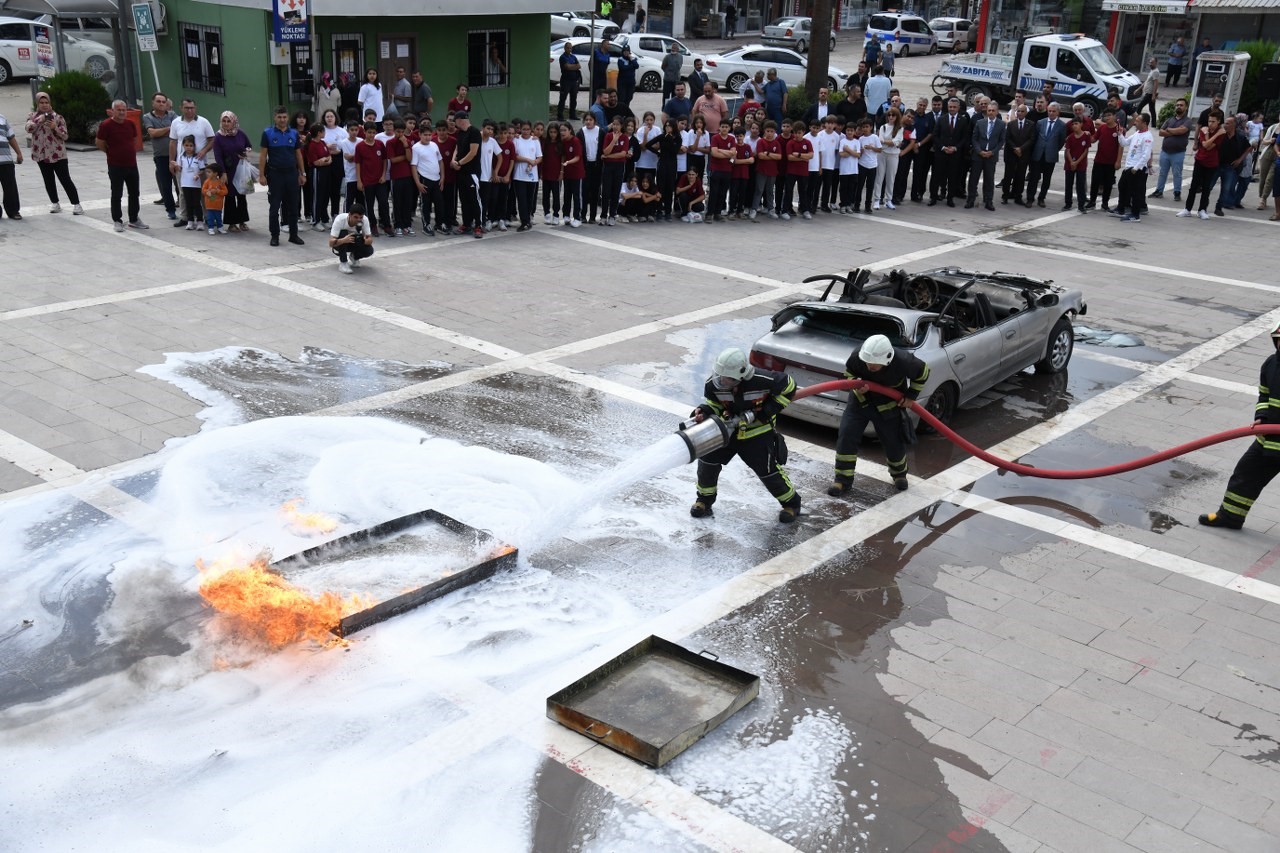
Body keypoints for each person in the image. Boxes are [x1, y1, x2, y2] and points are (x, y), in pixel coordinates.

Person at [689, 347, 801, 523]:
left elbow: (790, 386)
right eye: (719, 375)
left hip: (756, 434)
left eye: (726, 378)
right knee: (707, 463)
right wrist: (702, 411)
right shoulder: (713, 384)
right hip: (727, 433)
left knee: (768, 471)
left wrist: (766, 411)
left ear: (740, 376)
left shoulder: (762, 379)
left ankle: (791, 504)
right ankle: (704, 500)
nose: (720, 380)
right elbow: (714, 404)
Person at [1200, 324, 1280, 529]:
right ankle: (1230, 517)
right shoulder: (1271, 364)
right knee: (1245, 475)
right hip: (1268, 440)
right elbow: (1264, 394)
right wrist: (1262, 416)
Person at [830, 334, 928, 496]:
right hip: (860, 403)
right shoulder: (857, 356)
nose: (869, 367)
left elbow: (923, 373)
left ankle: (899, 475)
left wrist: (911, 396)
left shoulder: (904, 361)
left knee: (893, 441)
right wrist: (855, 384)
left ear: (887, 359)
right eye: (867, 363)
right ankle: (842, 480)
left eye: (874, 365)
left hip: (888, 405)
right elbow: (848, 374)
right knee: (847, 437)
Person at [25, 92, 80, 215]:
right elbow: (29, 128)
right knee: (48, 179)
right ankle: (55, 202)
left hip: (57, 154)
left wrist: (55, 127)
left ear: (50, 103)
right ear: (37, 104)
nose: (44, 105)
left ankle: (76, 204)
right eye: (41, 103)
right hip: (41, 154)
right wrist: (40, 120)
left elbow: (65, 136)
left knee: (65, 179)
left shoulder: (58, 117)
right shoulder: (32, 117)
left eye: (47, 102)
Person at [258, 105, 306, 247]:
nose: (282, 120)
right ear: (275, 118)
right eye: (279, 117)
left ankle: (293, 235)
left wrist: (302, 173)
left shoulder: (294, 133)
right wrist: (261, 175)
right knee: (274, 207)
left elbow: (298, 154)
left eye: (284, 117)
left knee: (293, 206)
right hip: (275, 174)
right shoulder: (267, 133)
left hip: (291, 174)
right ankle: (275, 235)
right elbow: (262, 156)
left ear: (288, 117)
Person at [96, 100, 147, 232]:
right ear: (112, 111)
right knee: (117, 193)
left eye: (124, 110)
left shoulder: (130, 124)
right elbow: (100, 142)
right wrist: (110, 151)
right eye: (119, 110)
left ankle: (134, 218)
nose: (122, 112)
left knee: (134, 193)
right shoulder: (106, 125)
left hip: (132, 164)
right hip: (115, 165)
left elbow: (134, 139)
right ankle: (117, 220)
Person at [168, 98, 215, 228]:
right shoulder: (176, 122)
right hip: (182, 164)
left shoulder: (204, 122)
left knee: (203, 191)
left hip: (200, 165)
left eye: (192, 108)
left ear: (195, 108)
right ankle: (185, 217)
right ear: (181, 108)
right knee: (183, 192)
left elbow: (212, 139)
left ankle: (206, 217)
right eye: (187, 108)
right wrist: (171, 161)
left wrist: (204, 151)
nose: (190, 110)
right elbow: (172, 142)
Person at [141, 92, 177, 219]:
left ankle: (186, 210)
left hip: (177, 155)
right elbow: (152, 133)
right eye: (159, 101)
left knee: (180, 184)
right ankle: (171, 210)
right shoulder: (147, 117)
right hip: (161, 156)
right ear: (153, 103)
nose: (162, 104)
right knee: (166, 185)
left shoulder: (172, 114)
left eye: (163, 102)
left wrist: (161, 131)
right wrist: (169, 128)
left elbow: (177, 129)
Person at [965, 100, 1004, 211]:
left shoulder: (1001, 124)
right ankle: (970, 200)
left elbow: (1001, 141)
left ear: (997, 112)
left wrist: (993, 152)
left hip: (991, 157)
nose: (990, 112)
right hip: (978, 156)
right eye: (989, 110)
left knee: (989, 180)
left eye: (993, 111)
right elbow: (974, 138)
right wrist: (979, 151)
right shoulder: (980, 123)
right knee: (973, 179)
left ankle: (988, 201)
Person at [929, 97, 968, 206]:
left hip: (955, 155)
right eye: (950, 107)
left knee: (952, 177)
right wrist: (942, 147)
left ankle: (950, 198)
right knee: (936, 176)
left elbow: (964, 137)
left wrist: (956, 148)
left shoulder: (963, 120)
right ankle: (933, 197)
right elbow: (935, 135)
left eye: (954, 107)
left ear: (958, 108)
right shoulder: (941, 119)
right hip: (941, 153)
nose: (952, 109)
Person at [1025, 102, 1065, 207]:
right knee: (1033, 178)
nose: (1051, 113)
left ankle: (1042, 198)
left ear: (1058, 112)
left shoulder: (1061, 125)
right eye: (1050, 111)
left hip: (1050, 156)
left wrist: (1052, 149)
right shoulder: (1040, 123)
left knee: (1046, 179)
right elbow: (1035, 137)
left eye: (1053, 111)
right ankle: (1030, 198)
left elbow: (1061, 141)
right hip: (1038, 154)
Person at [1150, 98, 1191, 201]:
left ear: (1186, 108)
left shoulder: (1187, 121)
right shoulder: (1169, 119)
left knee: (1177, 174)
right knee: (1162, 172)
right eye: (1177, 105)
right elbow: (1160, 132)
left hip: (1178, 153)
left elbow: (1182, 131)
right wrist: (1174, 131)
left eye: (1181, 105)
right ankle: (1159, 191)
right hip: (1165, 151)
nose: (1179, 107)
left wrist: (1168, 130)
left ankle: (1177, 193)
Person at [1115, 113, 1153, 222]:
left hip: (1136, 169)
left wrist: (1136, 168)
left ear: (1144, 123)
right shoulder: (1137, 133)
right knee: (1122, 186)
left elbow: (1146, 155)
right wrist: (1120, 134)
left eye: (1138, 120)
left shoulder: (1147, 137)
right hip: (1129, 167)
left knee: (1135, 192)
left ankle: (1135, 215)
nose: (1135, 122)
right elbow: (1124, 142)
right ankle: (1120, 208)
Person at [329, 202, 376, 274]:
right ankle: (343, 263)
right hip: (341, 243)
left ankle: (354, 256)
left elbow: (370, 239)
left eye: (361, 217)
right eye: (355, 217)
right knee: (343, 233)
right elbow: (331, 243)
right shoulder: (340, 219)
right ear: (350, 215)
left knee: (369, 250)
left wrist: (364, 240)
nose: (358, 220)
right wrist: (343, 240)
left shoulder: (365, 220)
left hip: (355, 242)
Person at [1061, 116, 1090, 212]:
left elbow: (1085, 151)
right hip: (1070, 164)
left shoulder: (1086, 136)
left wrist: (1077, 162)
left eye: (1076, 124)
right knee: (1068, 184)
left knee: (1080, 185)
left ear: (1081, 124)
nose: (1074, 126)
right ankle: (1067, 203)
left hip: (1081, 164)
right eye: (1073, 124)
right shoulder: (1070, 137)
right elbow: (1067, 150)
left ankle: (1081, 205)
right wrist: (1071, 162)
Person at [0, 111, 21, 220]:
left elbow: (11, 137)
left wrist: (19, 153)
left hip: (6, 160)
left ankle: (13, 211)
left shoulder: (2, 118)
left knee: (10, 188)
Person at [557, 41, 582, 121]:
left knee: (573, 98)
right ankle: (560, 115)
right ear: (565, 48)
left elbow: (579, 66)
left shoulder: (573, 57)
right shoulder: (562, 57)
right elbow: (567, 67)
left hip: (574, 81)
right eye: (568, 48)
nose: (569, 49)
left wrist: (572, 66)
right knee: (563, 98)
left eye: (570, 48)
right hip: (565, 81)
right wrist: (573, 66)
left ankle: (572, 114)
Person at [201, 163, 228, 234]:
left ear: (216, 173)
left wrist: (218, 191)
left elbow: (225, 192)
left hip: (218, 204)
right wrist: (207, 192)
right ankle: (211, 228)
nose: (207, 173)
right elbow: (203, 190)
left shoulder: (220, 182)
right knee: (210, 218)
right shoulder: (207, 181)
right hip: (209, 204)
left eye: (209, 172)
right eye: (207, 172)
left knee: (219, 217)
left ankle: (220, 227)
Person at [1135, 57, 1159, 127]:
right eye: (1150, 62)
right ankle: (1154, 124)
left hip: (1150, 94)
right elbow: (1146, 81)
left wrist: (1153, 95)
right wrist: (1138, 89)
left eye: (1152, 62)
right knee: (1152, 109)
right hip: (1148, 93)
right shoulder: (1152, 71)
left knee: (1139, 107)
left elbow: (1156, 83)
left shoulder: (1155, 72)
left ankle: (1137, 121)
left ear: (1156, 63)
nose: (1150, 64)